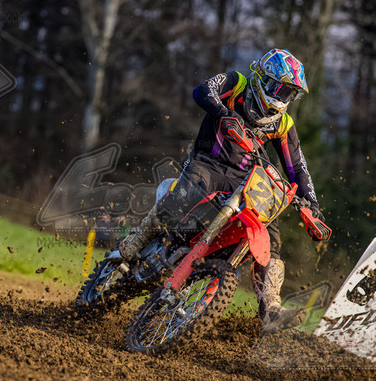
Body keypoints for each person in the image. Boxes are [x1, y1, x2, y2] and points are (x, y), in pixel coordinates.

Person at [111, 48, 325, 331]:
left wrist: (312, 204)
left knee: (270, 230)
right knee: (190, 190)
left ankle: (271, 306)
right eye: (279, 89)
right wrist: (224, 113)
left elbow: (296, 166)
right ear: (263, 78)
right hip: (207, 163)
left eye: (289, 94)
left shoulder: (282, 123)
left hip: (246, 180)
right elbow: (203, 91)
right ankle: (138, 239)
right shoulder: (237, 84)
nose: (281, 98)